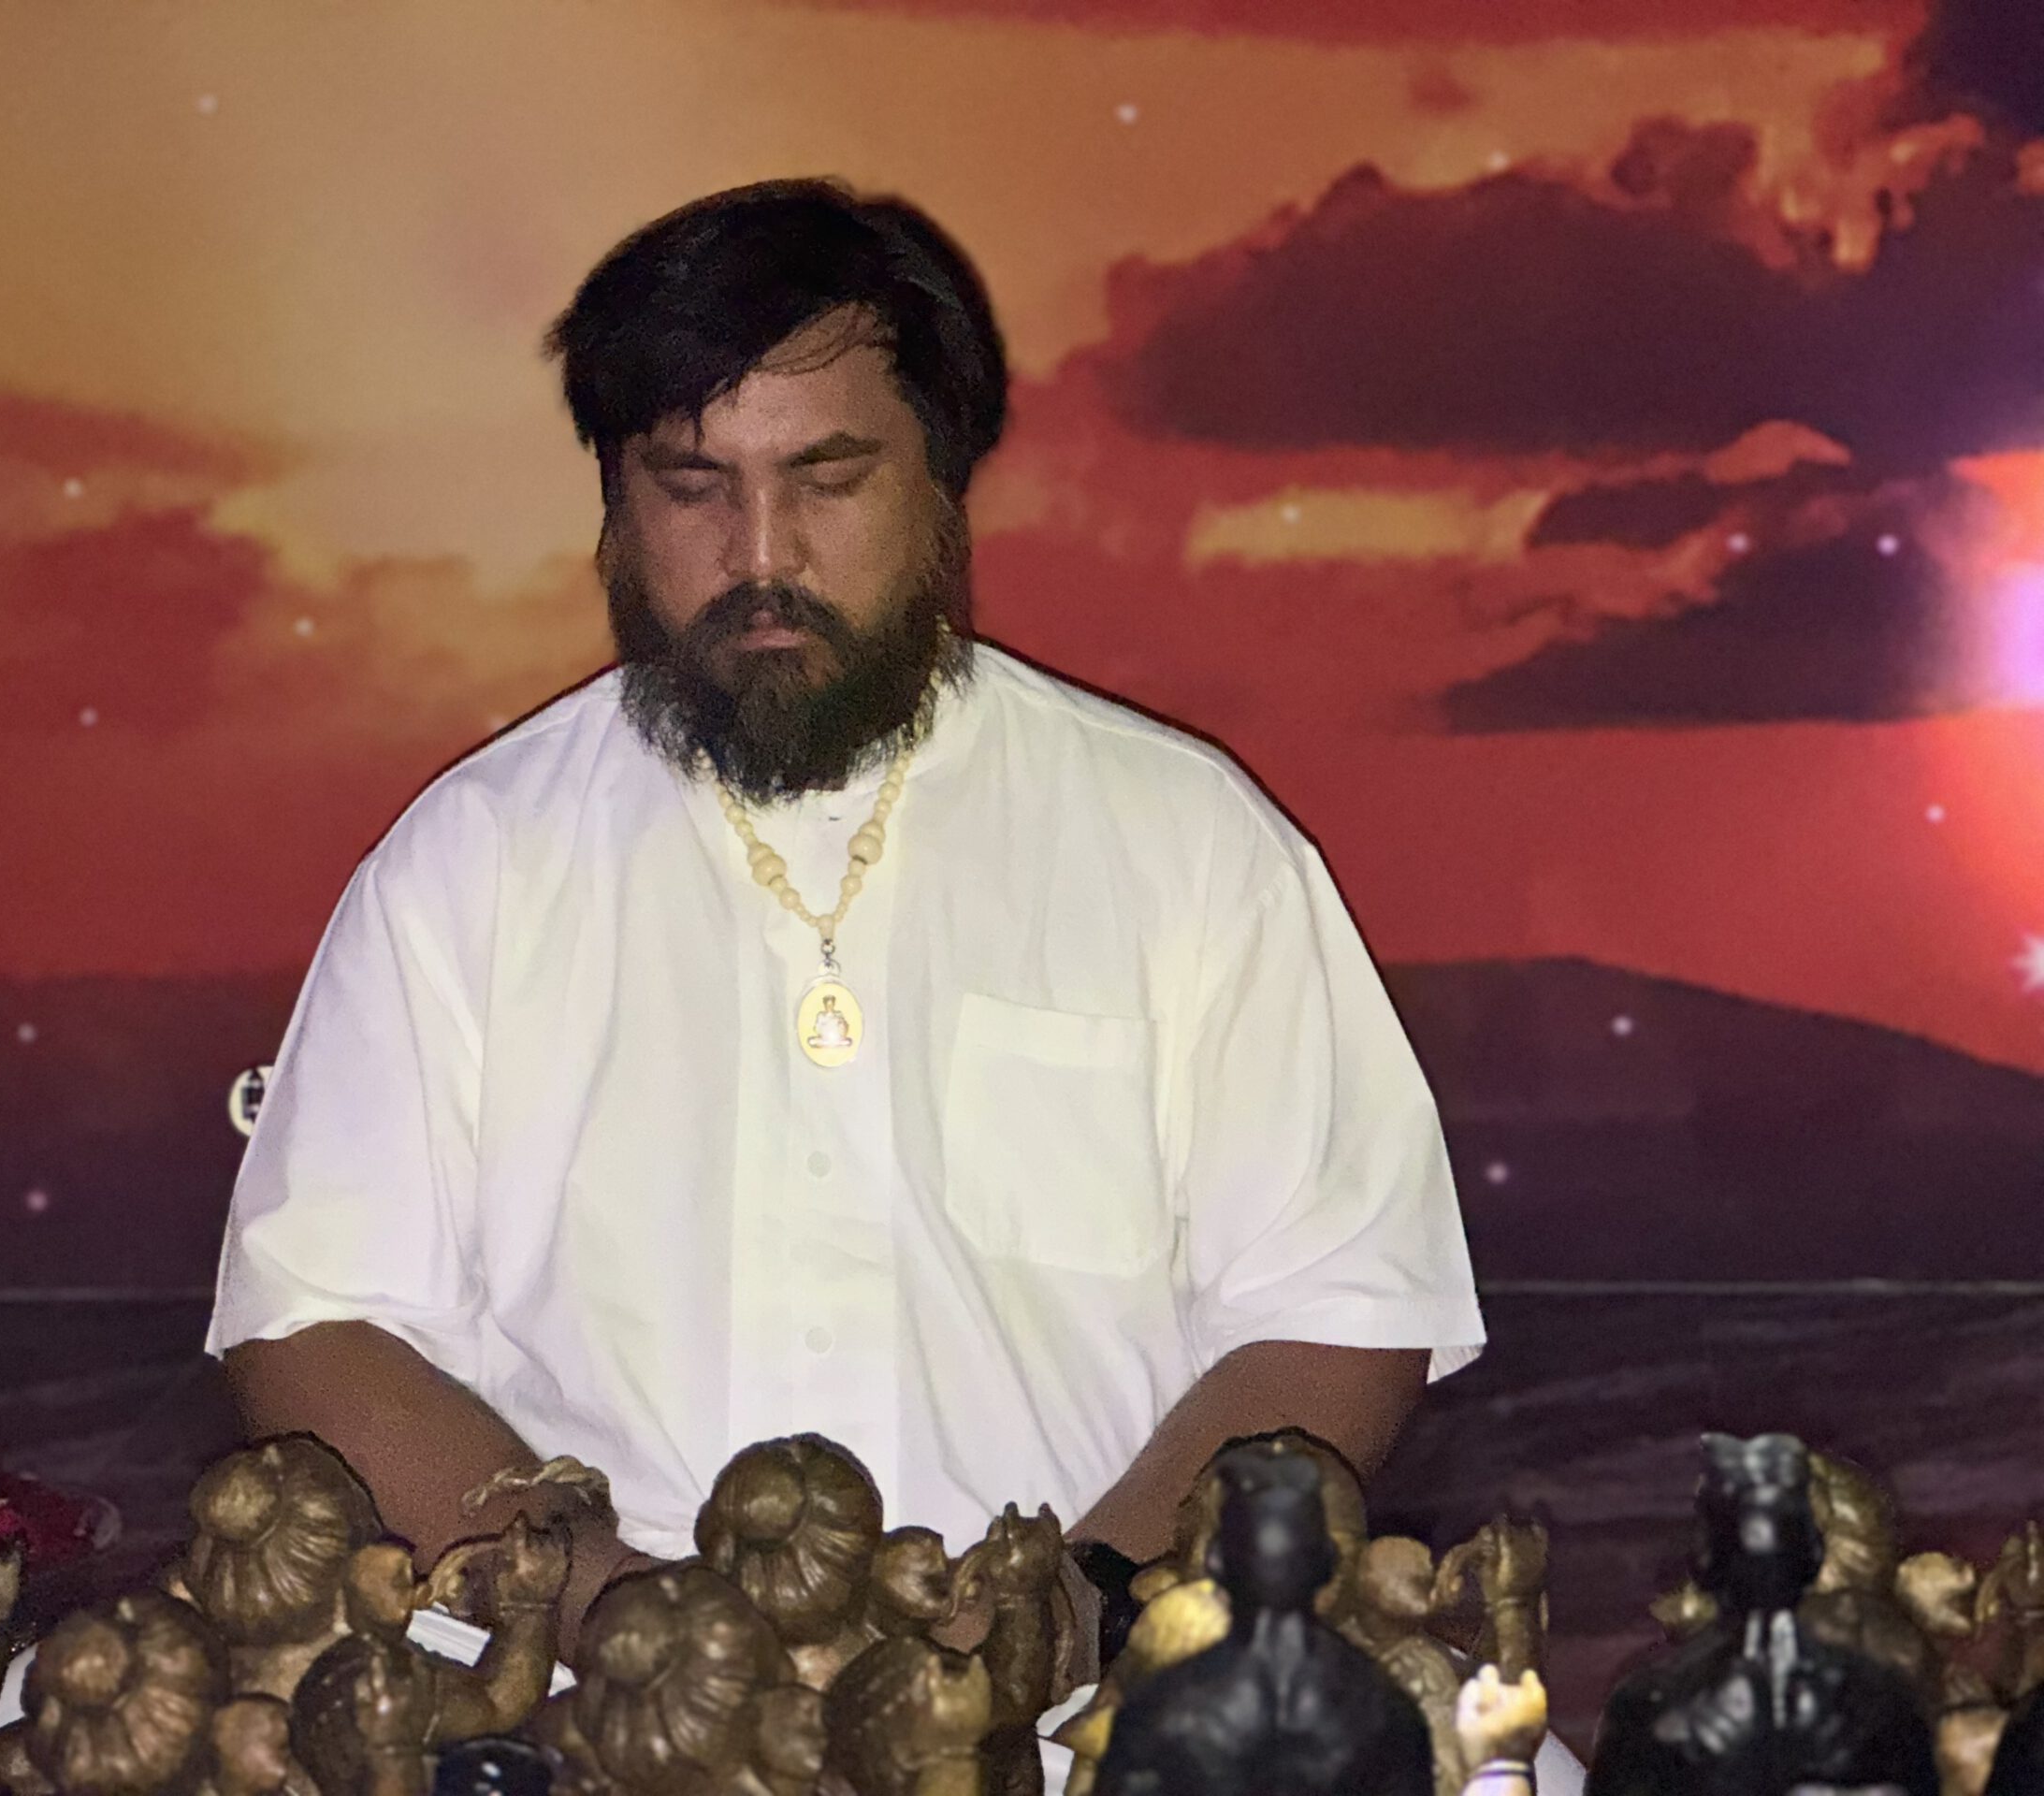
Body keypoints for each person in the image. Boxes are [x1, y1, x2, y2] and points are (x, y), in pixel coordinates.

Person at [207, 179, 1485, 1674]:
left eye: (827, 479)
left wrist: (1070, 1618)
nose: (763, 557)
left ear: (942, 483)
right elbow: (317, 1328)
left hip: (1083, 1710)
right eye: (694, 487)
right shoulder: (472, 863)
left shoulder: (1186, 843)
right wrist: (615, 1616)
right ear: (615, 504)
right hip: (586, 1703)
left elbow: (1338, 1308)